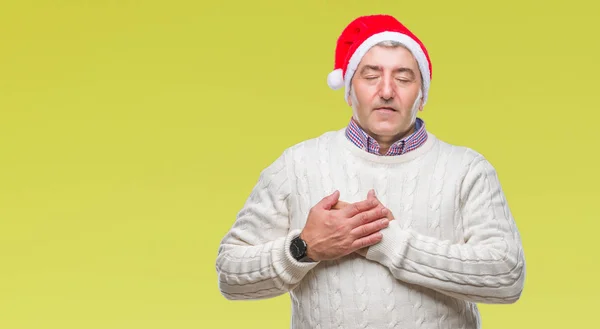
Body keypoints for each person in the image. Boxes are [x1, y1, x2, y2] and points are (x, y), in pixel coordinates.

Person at [215, 14, 525, 329]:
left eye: (403, 78)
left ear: (422, 97)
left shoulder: (467, 170)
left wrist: (392, 244)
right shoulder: (297, 165)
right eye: (370, 76)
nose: (387, 90)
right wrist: (304, 247)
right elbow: (230, 276)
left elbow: (508, 276)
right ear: (349, 91)